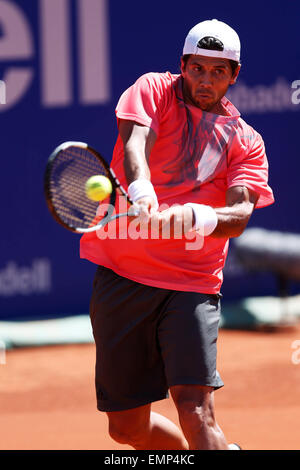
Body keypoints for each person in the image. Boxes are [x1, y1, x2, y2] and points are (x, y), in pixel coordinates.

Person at [80, 19, 274, 450]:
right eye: (198, 68)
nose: (206, 80)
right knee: (125, 428)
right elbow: (135, 145)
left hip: (192, 283)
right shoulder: (152, 89)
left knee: (194, 407)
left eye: (218, 71)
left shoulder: (245, 140)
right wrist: (143, 189)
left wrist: (195, 217)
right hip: (123, 275)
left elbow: (240, 213)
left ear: (233, 75)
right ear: (182, 66)